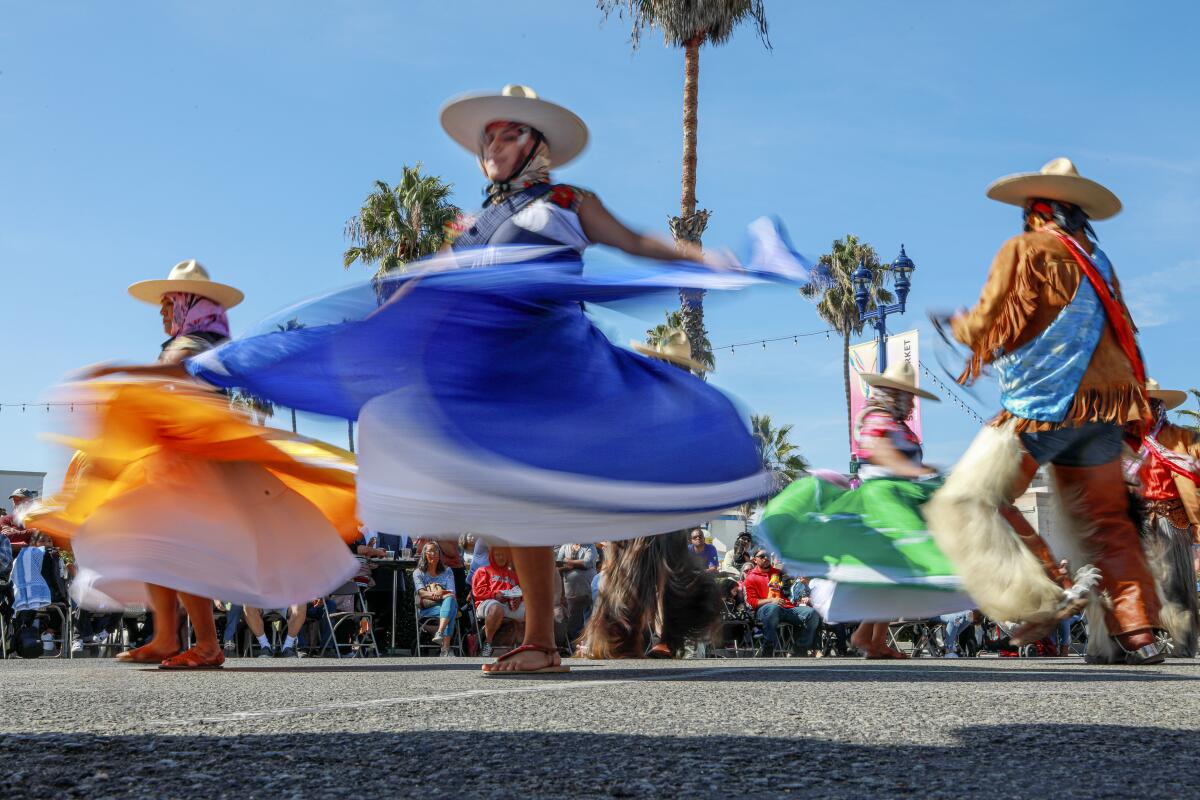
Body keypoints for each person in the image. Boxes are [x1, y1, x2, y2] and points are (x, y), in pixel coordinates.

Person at [185, 84, 811, 675]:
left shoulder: (568, 202)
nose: (490, 148)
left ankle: (544, 635)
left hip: (550, 362)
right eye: (485, 139)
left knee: (533, 492)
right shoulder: (478, 223)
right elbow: (433, 289)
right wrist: (366, 335)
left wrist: (710, 261)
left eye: (504, 136)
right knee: (490, 487)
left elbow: (637, 244)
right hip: (492, 367)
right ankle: (537, 636)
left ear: (536, 144)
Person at [35, 261, 361, 670]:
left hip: (197, 465)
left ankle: (206, 643)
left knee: (181, 550)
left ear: (189, 302)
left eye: (168, 302)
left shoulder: (197, 343)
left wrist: (117, 371)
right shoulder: (187, 341)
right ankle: (167, 636)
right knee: (156, 545)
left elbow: (177, 373)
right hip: (176, 462)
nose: (162, 310)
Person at [925, 157, 1163, 665]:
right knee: (1108, 524)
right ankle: (1136, 634)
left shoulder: (1025, 248)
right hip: (1103, 410)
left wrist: (959, 327)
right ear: (1075, 214)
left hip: (1041, 409)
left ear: (1036, 212)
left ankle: (1047, 595)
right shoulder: (1097, 259)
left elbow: (993, 317)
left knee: (972, 500)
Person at [758, 362, 969, 657]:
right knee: (906, 565)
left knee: (893, 574)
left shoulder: (898, 425)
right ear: (890, 393)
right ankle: (869, 638)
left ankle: (869, 638)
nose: (909, 401)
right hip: (883, 498)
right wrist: (908, 468)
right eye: (904, 394)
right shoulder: (874, 418)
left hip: (902, 495)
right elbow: (881, 453)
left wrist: (916, 474)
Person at [1123, 379, 1200, 657]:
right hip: (1136, 520)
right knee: (1137, 583)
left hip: (1172, 518)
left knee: (1176, 583)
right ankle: (1143, 640)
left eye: (1148, 404)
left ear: (1159, 407)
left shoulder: (1182, 438)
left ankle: (1181, 643)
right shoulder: (1123, 443)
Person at [742, 549, 819, 657]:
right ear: (755, 560)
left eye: (768, 555)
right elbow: (751, 603)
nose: (766, 558)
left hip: (786, 608)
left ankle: (799, 648)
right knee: (773, 608)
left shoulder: (779, 573)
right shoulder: (750, 578)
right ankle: (768, 647)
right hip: (765, 610)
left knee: (812, 614)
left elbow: (791, 591)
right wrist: (771, 600)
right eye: (762, 556)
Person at [471, 546, 524, 659]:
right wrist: (495, 595)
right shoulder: (483, 571)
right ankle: (488, 644)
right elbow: (477, 592)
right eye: (497, 555)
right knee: (496, 608)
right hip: (487, 603)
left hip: (508, 605)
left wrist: (518, 599)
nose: (501, 557)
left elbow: (521, 591)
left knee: (531, 609)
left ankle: (526, 645)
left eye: (503, 555)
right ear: (492, 556)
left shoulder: (513, 574)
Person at [413, 540, 459, 657]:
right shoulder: (418, 572)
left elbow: (452, 591)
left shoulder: (447, 571)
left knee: (450, 601)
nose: (434, 554)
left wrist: (444, 595)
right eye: (430, 551)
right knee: (451, 608)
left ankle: (440, 633)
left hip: (446, 603)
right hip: (427, 607)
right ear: (424, 554)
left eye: (436, 551)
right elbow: (422, 593)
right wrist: (437, 594)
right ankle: (445, 648)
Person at [556, 542, 597, 640]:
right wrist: (576, 564)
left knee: (590, 618)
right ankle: (574, 645)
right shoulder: (565, 546)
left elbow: (587, 563)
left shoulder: (590, 546)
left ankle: (588, 642)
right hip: (571, 592)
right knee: (573, 620)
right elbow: (558, 564)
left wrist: (568, 562)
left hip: (588, 589)